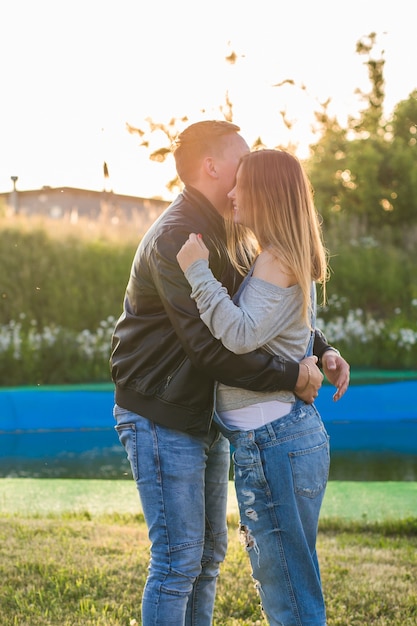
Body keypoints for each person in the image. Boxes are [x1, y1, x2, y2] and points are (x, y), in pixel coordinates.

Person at [110, 121, 349, 625]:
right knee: (178, 561)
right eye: (240, 163)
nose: (245, 176)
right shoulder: (178, 236)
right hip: (164, 413)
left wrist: (321, 348)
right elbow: (210, 349)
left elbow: (265, 311)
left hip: (205, 417)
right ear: (211, 167)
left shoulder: (233, 231)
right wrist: (292, 375)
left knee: (207, 557)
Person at [176, 148, 337, 625]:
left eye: (241, 183)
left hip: (274, 446)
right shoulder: (278, 256)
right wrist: (325, 349)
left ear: (264, 192)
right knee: (289, 582)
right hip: (276, 442)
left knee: (288, 592)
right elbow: (282, 329)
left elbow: (242, 334)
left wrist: (196, 271)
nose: (231, 193)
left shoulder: (277, 259)